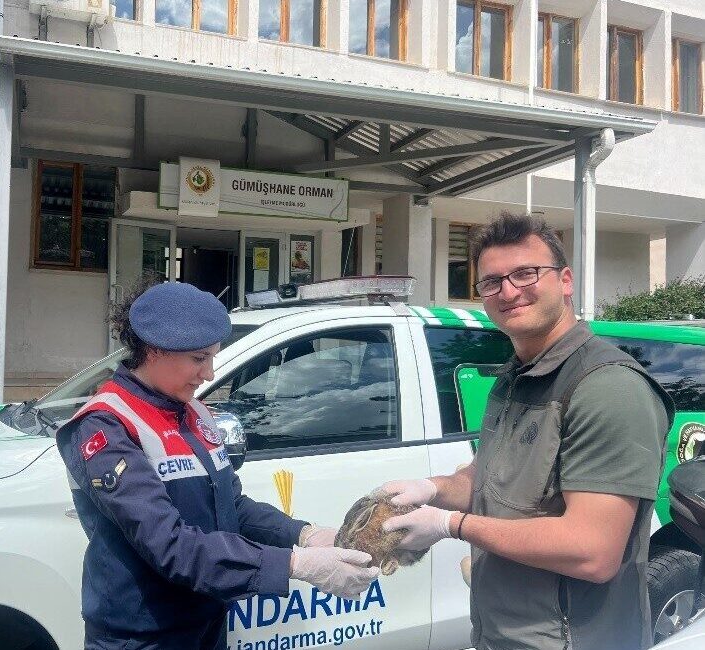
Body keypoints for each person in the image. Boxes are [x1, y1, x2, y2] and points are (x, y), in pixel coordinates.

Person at [377, 213, 674, 650]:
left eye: (525, 273)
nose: (509, 290)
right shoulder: (516, 377)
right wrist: (431, 489)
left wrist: (451, 525)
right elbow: (491, 479)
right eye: (492, 281)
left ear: (565, 281)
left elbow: (592, 550)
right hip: (501, 635)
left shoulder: (607, 386)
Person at [57, 280, 379, 650]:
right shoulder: (106, 425)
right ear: (154, 349)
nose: (209, 374)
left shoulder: (191, 411)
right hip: (143, 636)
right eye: (199, 359)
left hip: (207, 622)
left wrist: (305, 535)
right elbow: (170, 545)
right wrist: (296, 564)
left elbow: (232, 506)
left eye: (212, 357)